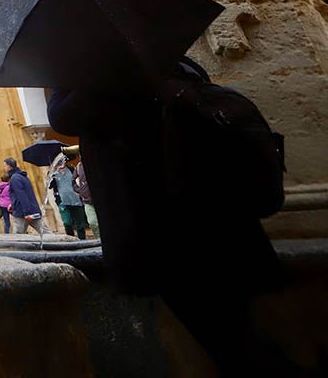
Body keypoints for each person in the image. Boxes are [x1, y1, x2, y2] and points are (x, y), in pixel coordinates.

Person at [49, 58, 294, 375]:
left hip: (169, 229)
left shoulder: (103, 73)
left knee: (235, 348)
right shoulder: (169, 59)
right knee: (236, 336)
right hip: (218, 219)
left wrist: (68, 77)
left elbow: (64, 117)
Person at [46, 155, 86, 240]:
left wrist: (80, 192)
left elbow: (79, 180)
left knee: (80, 224)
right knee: (67, 222)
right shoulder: (53, 173)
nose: (61, 162)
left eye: (62, 160)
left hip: (76, 199)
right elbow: (49, 186)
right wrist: (51, 177)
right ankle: (71, 240)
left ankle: (83, 240)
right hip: (62, 201)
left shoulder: (71, 169)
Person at [3, 157, 45, 234]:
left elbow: (22, 195)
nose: (4, 168)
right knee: (45, 232)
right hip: (33, 209)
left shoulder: (14, 178)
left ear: (9, 166)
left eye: (5, 166)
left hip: (22, 213)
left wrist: (27, 213)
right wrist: (13, 204)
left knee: (18, 238)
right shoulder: (22, 176)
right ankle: (60, 244)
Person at [67, 147, 100, 239]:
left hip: (100, 199)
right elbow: (73, 181)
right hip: (87, 201)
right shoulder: (78, 167)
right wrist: (79, 190)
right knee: (92, 222)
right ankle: (98, 240)